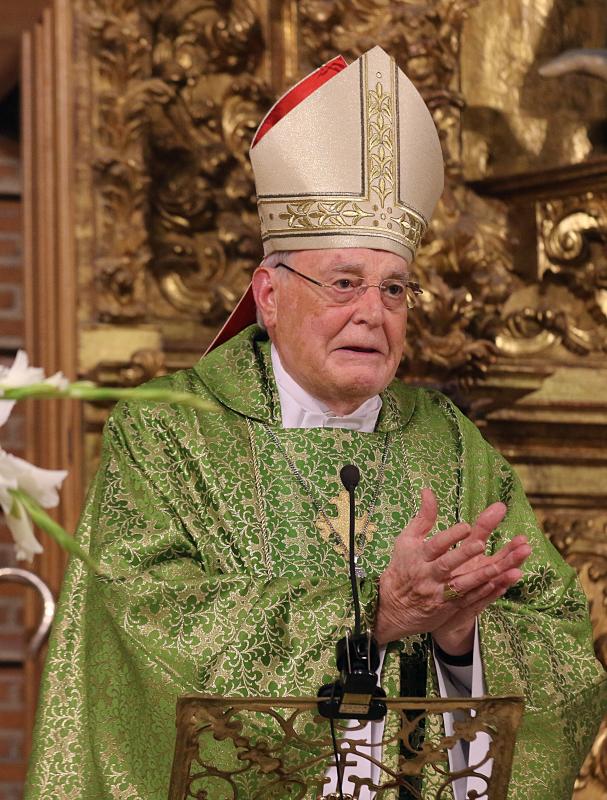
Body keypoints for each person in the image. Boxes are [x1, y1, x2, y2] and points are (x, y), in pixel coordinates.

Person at [26, 46, 606, 800]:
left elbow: (562, 644)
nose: (372, 312)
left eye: (393, 289)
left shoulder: (451, 445)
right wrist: (374, 614)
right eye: (343, 284)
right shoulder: (169, 430)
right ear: (269, 294)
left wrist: (463, 639)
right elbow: (149, 630)